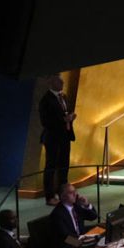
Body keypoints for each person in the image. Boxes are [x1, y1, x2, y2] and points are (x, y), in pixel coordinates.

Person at [39, 75, 76, 205]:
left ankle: (64, 194)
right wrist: (63, 120)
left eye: (62, 81)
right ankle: (49, 197)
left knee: (64, 165)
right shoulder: (46, 100)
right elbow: (45, 121)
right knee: (51, 166)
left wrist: (70, 118)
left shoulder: (63, 97)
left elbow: (65, 112)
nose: (62, 83)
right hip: (53, 138)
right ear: (51, 83)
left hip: (65, 136)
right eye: (59, 81)